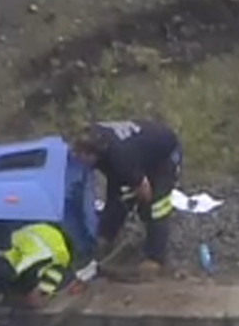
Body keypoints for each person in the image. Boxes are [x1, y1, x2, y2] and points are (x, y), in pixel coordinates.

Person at [69, 119, 183, 282]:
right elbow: (116, 189)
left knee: (157, 207)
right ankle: (105, 239)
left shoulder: (121, 158)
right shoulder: (91, 136)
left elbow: (145, 190)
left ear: (94, 154)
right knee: (117, 197)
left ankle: (155, 257)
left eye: (83, 157)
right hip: (139, 150)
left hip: (165, 155)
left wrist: (142, 210)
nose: (80, 160)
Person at [0, 221, 75, 309]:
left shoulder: (51, 265)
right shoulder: (37, 259)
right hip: (39, 240)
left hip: (37, 237)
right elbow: (22, 265)